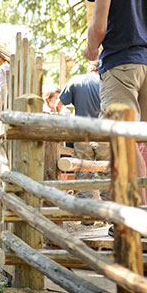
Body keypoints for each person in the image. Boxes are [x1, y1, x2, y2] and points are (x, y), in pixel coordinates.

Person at [83, 0, 147, 205]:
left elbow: (99, 26)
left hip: (121, 64)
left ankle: (133, 215)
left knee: (123, 139)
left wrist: (91, 49)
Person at [59, 62, 109, 202]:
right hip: (104, 136)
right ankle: (109, 214)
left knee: (82, 172)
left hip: (82, 135)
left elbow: (59, 104)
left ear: (90, 68)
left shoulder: (76, 81)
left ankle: (86, 215)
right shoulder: (108, 82)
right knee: (106, 173)